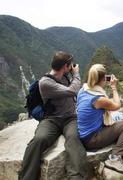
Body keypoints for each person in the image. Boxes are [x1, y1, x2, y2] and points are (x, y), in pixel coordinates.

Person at [18, 51, 87, 180]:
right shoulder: (45, 83)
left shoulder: (66, 76)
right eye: (70, 64)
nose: (73, 66)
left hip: (70, 118)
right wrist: (76, 74)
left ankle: (76, 177)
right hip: (51, 119)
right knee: (39, 139)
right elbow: (72, 91)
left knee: (73, 139)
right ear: (65, 66)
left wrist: (72, 75)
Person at [77, 64, 123, 174]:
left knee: (121, 118)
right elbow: (118, 105)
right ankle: (115, 158)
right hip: (92, 138)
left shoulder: (83, 89)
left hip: (84, 133)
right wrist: (113, 87)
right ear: (103, 79)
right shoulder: (98, 98)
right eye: (105, 77)